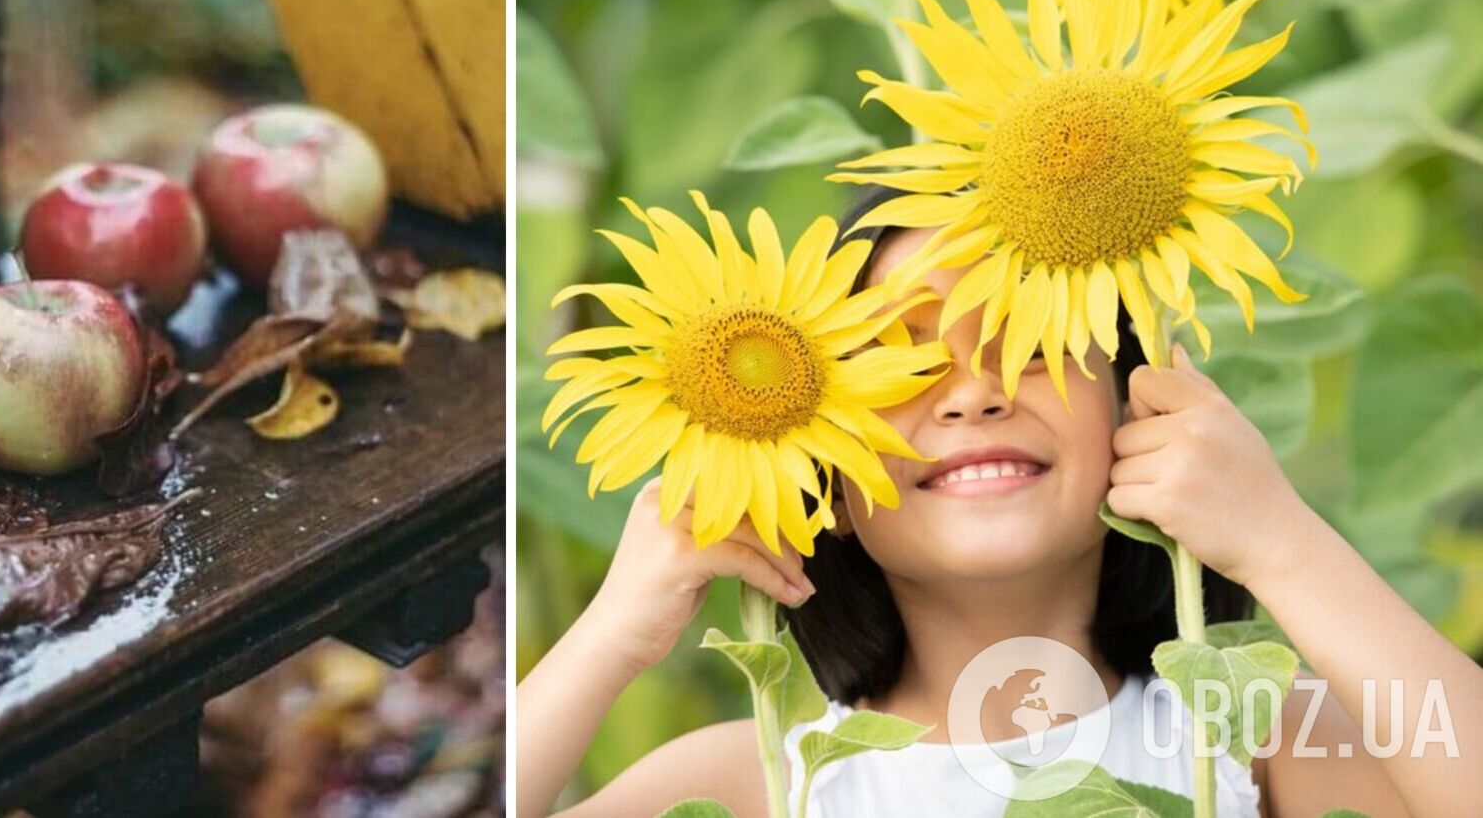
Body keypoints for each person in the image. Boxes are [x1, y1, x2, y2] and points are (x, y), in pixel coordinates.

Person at [516, 191, 1483, 817]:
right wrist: (610, 637)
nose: (975, 392)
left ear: (1134, 412)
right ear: (829, 489)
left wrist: (1280, 541)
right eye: (905, 360)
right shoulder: (767, 781)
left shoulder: (1243, 735)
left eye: (1030, 340)